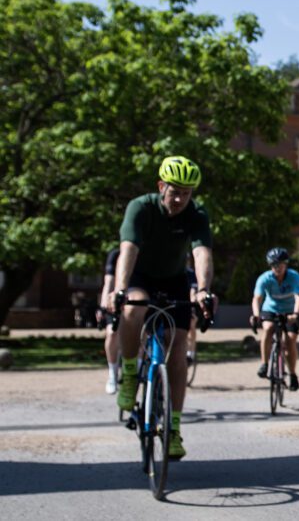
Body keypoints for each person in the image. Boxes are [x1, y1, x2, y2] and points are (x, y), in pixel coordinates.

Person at [110, 155, 214, 461]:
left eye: (186, 192)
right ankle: (130, 373)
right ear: (161, 186)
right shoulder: (140, 207)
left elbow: (202, 253)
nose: (180, 198)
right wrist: (119, 288)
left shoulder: (196, 213)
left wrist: (205, 290)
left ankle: (174, 429)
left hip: (174, 281)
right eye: (174, 191)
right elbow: (127, 250)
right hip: (140, 276)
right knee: (133, 309)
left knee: (178, 348)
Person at [251, 247, 299, 391]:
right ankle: (265, 364)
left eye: (280, 264)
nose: (277, 268)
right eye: (274, 265)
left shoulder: (294, 276)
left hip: (289, 311)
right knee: (268, 328)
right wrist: (256, 315)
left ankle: (293, 374)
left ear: (286, 264)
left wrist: (296, 314)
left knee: (290, 340)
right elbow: (257, 298)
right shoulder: (264, 278)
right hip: (271, 309)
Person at [98, 247, 122, 394]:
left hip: (139, 298)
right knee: (112, 333)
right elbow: (108, 282)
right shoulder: (115, 254)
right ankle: (113, 373)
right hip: (117, 299)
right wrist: (102, 307)